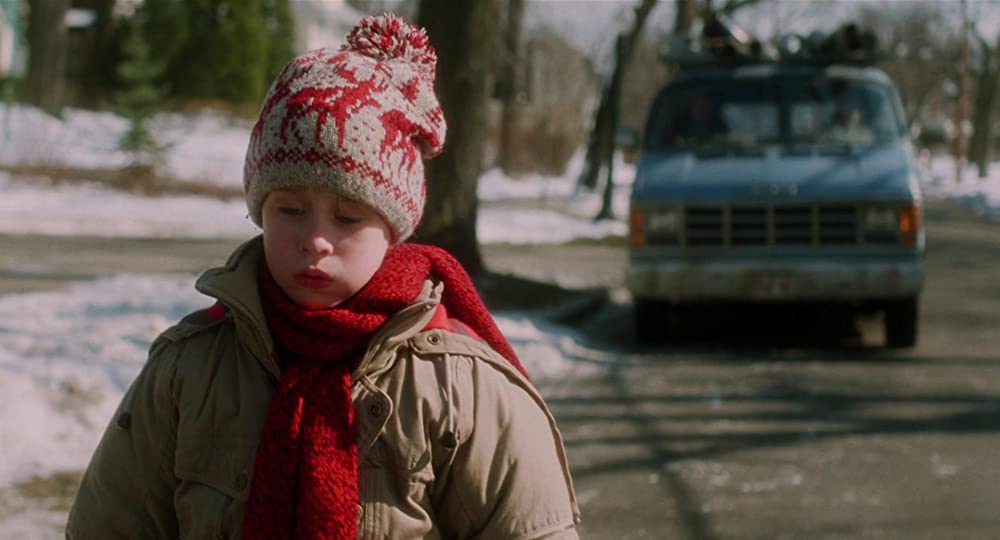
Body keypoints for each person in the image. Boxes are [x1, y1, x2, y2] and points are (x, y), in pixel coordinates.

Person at [66, 13, 580, 540]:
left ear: (394, 227)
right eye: (289, 209)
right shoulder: (190, 371)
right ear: (260, 210)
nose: (315, 238)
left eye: (348, 217)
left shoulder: (456, 385)